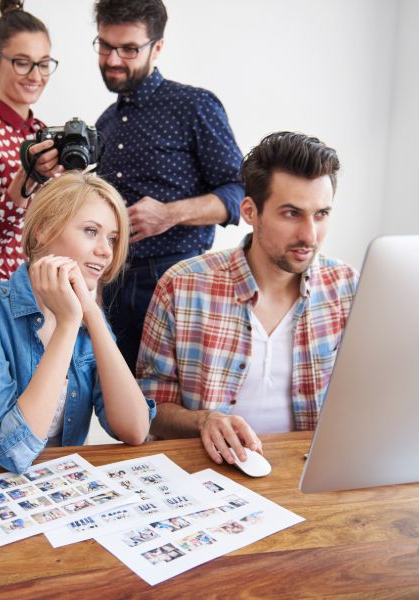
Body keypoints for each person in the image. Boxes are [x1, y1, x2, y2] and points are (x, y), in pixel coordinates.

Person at [137, 131, 359, 466]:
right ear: (249, 211)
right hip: (211, 476)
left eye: (321, 214)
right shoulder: (182, 287)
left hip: (308, 474)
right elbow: (149, 407)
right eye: (291, 213)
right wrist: (203, 420)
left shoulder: (345, 287)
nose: (309, 236)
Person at [0, 172, 156, 473]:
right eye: (91, 231)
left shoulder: (89, 316)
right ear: (43, 229)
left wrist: (90, 313)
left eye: (113, 238)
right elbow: (12, 452)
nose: (106, 250)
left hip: (53, 490)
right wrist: (67, 324)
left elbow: (134, 429)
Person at [93, 0, 244, 372]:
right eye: (105, 45)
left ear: (156, 47)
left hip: (176, 277)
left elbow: (239, 192)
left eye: (129, 49)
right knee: (122, 410)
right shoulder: (106, 122)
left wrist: (169, 214)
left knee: (176, 408)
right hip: (112, 282)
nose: (113, 59)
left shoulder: (194, 106)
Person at [0, 0, 63, 290]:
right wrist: (27, 177)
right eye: (22, 62)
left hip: (38, 288)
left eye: (43, 64)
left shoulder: (41, 131)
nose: (36, 75)